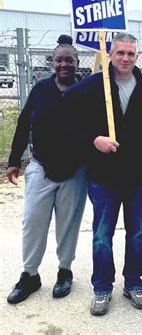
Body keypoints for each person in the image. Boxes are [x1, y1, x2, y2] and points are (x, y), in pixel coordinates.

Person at [65, 32, 142, 316]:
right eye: (120, 53)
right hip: (103, 177)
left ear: (137, 56)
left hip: (137, 178)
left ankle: (134, 283)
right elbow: (70, 123)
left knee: (137, 233)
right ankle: (101, 288)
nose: (125, 58)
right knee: (102, 235)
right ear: (110, 53)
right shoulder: (91, 87)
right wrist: (93, 140)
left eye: (130, 54)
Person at [6, 35, 87, 304]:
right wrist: (15, 160)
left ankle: (65, 271)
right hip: (41, 166)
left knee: (69, 223)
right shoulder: (41, 89)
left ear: (77, 63)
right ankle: (30, 275)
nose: (64, 64)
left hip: (75, 170)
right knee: (33, 221)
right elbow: (23, 123)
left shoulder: (86, 90)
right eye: (59, 59)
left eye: (70, 60)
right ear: (52, 62)